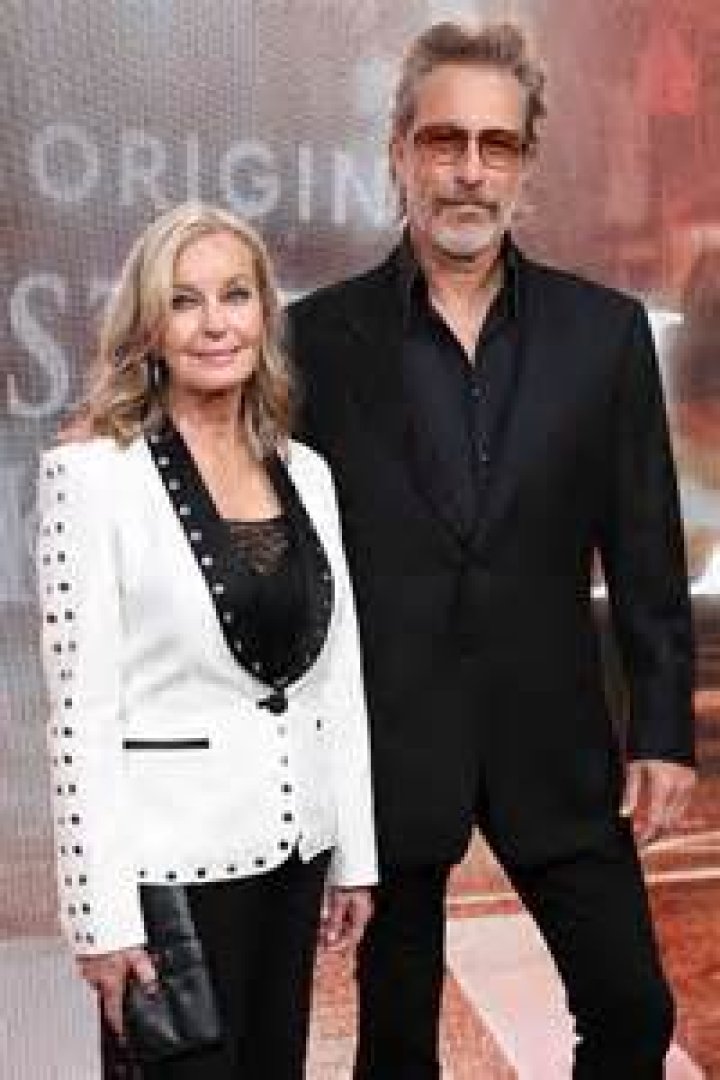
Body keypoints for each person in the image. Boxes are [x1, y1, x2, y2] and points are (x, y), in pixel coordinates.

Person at [287, 20, 696, 1080]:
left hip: (554, 739)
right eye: (444, 140)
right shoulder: (314, 341)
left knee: (632, 1014)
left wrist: (663, 732)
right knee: (394, 1051)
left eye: (496, 145)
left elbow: (646, 550)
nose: (469, 170)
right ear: (399, 151)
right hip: (387, 747)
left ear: (525, 164)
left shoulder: (603, 334)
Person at [36, 202, 377, 1079]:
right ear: (149, 326)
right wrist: (101, 921)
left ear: (265, 311)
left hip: (293, 858)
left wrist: (355, 858)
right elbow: (80, 719)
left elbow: (336, 681)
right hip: (169, 880)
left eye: (235, 295)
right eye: (184, 302)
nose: (215, 323)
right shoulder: (92, 475)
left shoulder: (307, 471)